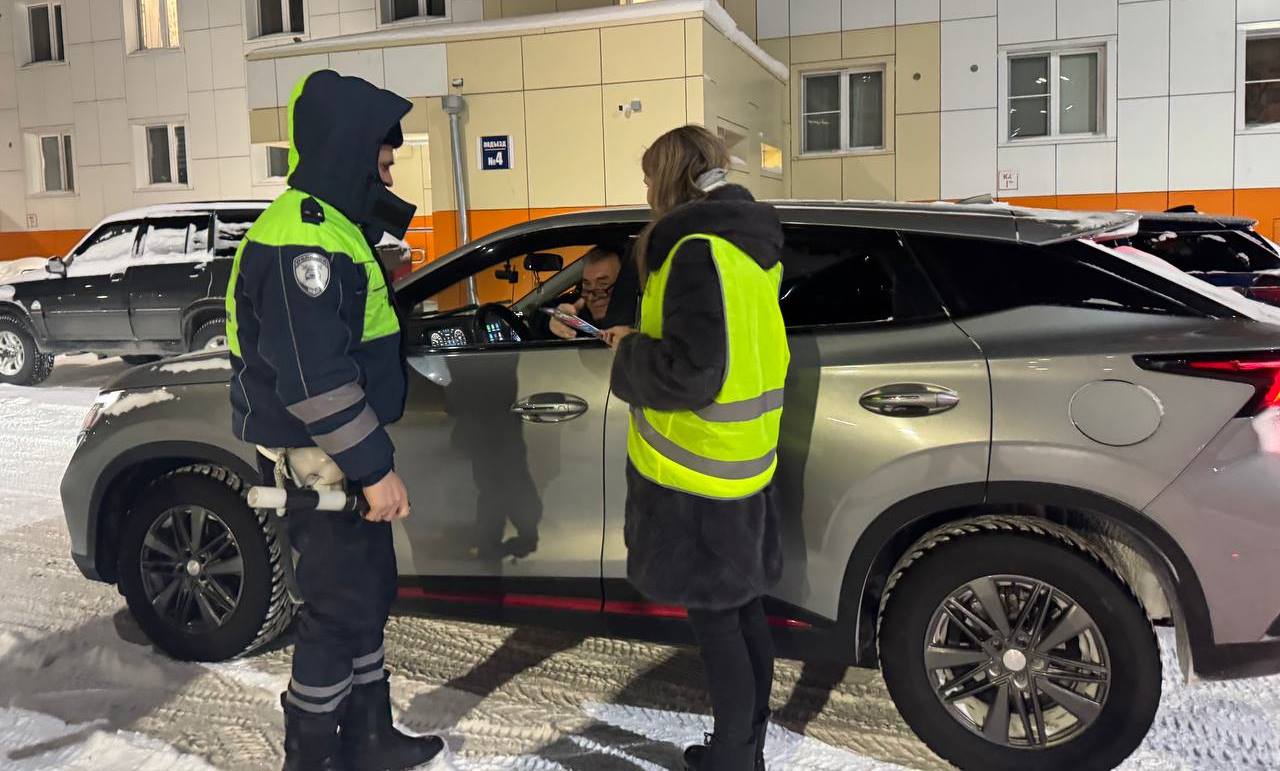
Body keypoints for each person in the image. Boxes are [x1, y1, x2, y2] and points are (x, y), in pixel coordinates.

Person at [224, 69, 444, 771]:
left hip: (337, 454)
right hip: (321, 458)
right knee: (336, 611)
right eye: (383, 162)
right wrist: (374, 470)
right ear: (349, 153)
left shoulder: (335, 229)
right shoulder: (303, 241)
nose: (389, 175)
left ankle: (369, 735)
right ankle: (312, 755)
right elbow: (314, 379)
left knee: (363, 597)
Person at [602, 125, 789, 771]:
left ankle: (733, 758)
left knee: (717, 624)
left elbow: (692, 371)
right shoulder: (747, 247)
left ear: (668, 178)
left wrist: (629, 350)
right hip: (740, 457)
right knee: (741, 613)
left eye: (648, 177)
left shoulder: (692, 250)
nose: (645, 191)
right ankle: (744, 750)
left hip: (692, 467)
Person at [546, 246, 629, 339]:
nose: (591, 297)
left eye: (602, 284)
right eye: (587, 284)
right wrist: (553, 319)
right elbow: (538, 311)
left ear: (624, 284)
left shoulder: (638, 319)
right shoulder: (578, 307)